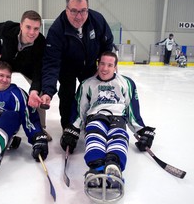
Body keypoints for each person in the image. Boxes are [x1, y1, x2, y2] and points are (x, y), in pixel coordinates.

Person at [60, 51, 155, 191]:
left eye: (109, 65)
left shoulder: (126, 83)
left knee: (119, 136)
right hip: (96, 116)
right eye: (102, 64)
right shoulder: (87, 84)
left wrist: (141, 130)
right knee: (95, 133)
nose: (105, 68)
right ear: (98, 64)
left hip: (118, 117)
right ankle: (97, 167)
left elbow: (131, 109)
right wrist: (73, 129)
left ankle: (114, 165)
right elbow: (80, 109)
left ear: (115, 67)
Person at [39, 0, 114, 130]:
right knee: (67, 93)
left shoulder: (97, 20)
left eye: (83, 11)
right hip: (67, 67)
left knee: (93, 92)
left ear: (88, 9)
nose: (79, 16)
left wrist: (105, 65)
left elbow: (107, 42)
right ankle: (68, 126)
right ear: (67, 10)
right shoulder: (57, 30)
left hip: (90, 64)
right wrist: (47, 91)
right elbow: (51, 63)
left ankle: (93, 120)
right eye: (74, 11)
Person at [0, 10, 51, 141]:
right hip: (6, 62)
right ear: (21, 25)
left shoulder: (41, 43)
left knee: (39, 93)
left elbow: (39, 71)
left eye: (36, 28)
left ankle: (40, 128)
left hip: (28, 68)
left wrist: (34, 90)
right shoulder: (7, 29)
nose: (32, 32)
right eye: (28, 27)